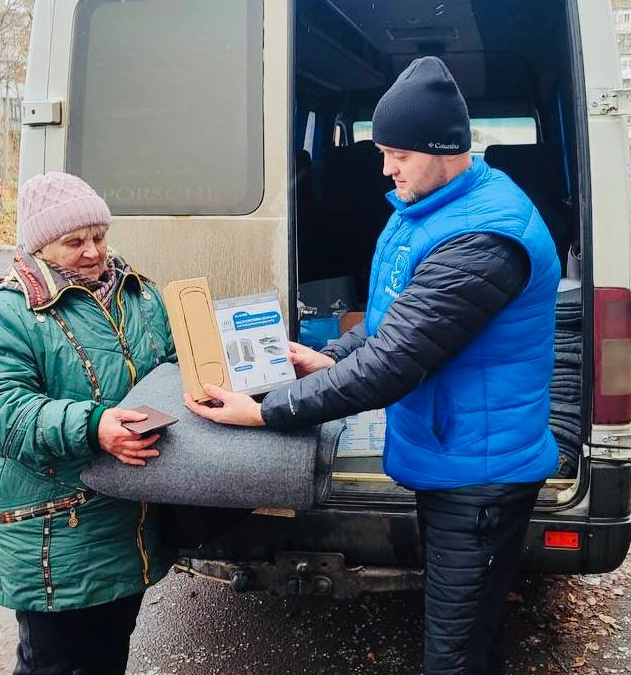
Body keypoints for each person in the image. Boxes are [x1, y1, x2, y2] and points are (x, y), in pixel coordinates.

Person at [185, 56, 561, 675]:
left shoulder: (483, 239)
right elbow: (395, 323)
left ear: (444, 148)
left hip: (481, 473)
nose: (384, 168)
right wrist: (326, 357)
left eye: (398, 154)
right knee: (462, 630)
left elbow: (394, 363)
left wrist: (266, 411)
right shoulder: (431, 207)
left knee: (455, 652)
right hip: (453, 451)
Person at [0, 171, 176, 675]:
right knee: (52, 665)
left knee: (107, 655)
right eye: (73, 242)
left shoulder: (138, 295)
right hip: (51, 526)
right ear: (40, 248)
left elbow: (167, 366)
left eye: (98, 236)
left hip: (125, 520)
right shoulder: (8, 312)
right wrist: (93, 425)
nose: (93, 252)